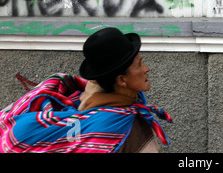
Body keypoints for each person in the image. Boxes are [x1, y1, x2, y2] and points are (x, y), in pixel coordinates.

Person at [0, 27, 172, 153]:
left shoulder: (94, 99)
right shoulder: (123, 126)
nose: (146, 68)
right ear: (121, 80)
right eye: (139, 64)